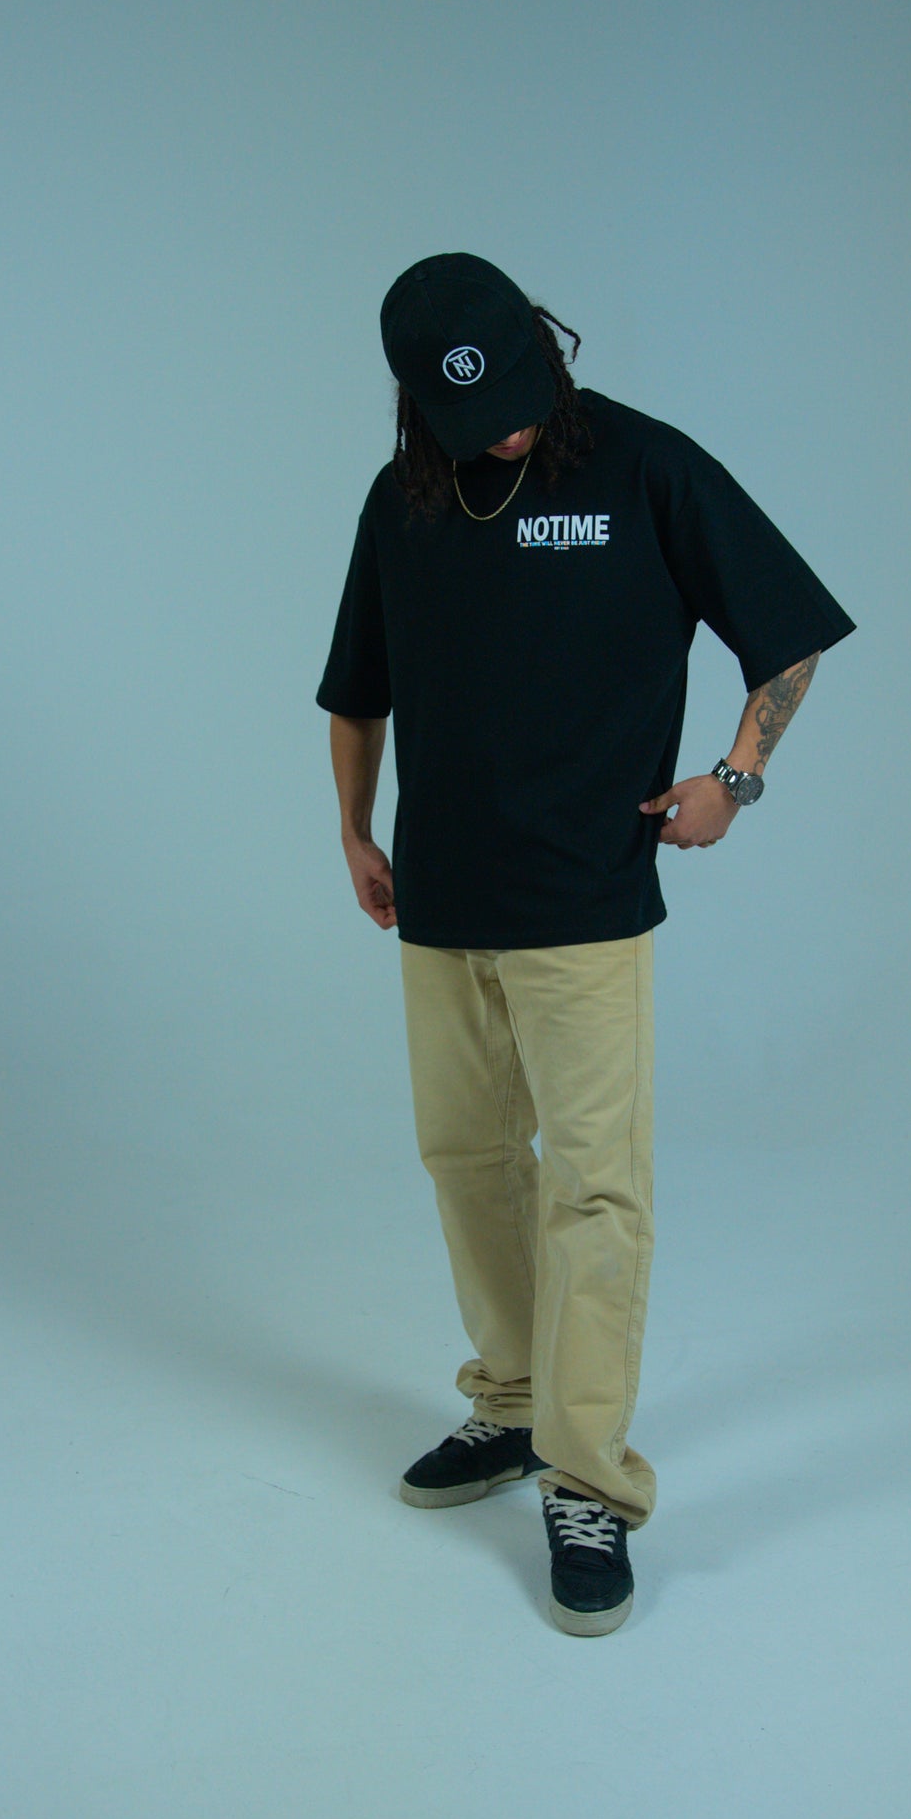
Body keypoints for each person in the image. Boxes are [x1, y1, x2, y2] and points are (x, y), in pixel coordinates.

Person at [317, 253, 854, 1636]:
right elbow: (356, 689)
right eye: (470, 414)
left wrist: (734, 779)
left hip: (584, 905)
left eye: (515, 396)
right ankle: (509, 1404)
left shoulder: (646, 467)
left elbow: (789, 635)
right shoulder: (404, 497)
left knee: (594, 1190)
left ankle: (588, 1478)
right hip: (439, 901)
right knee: (467, 1162)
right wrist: (355, 830)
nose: (503, 430)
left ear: (546, 350)